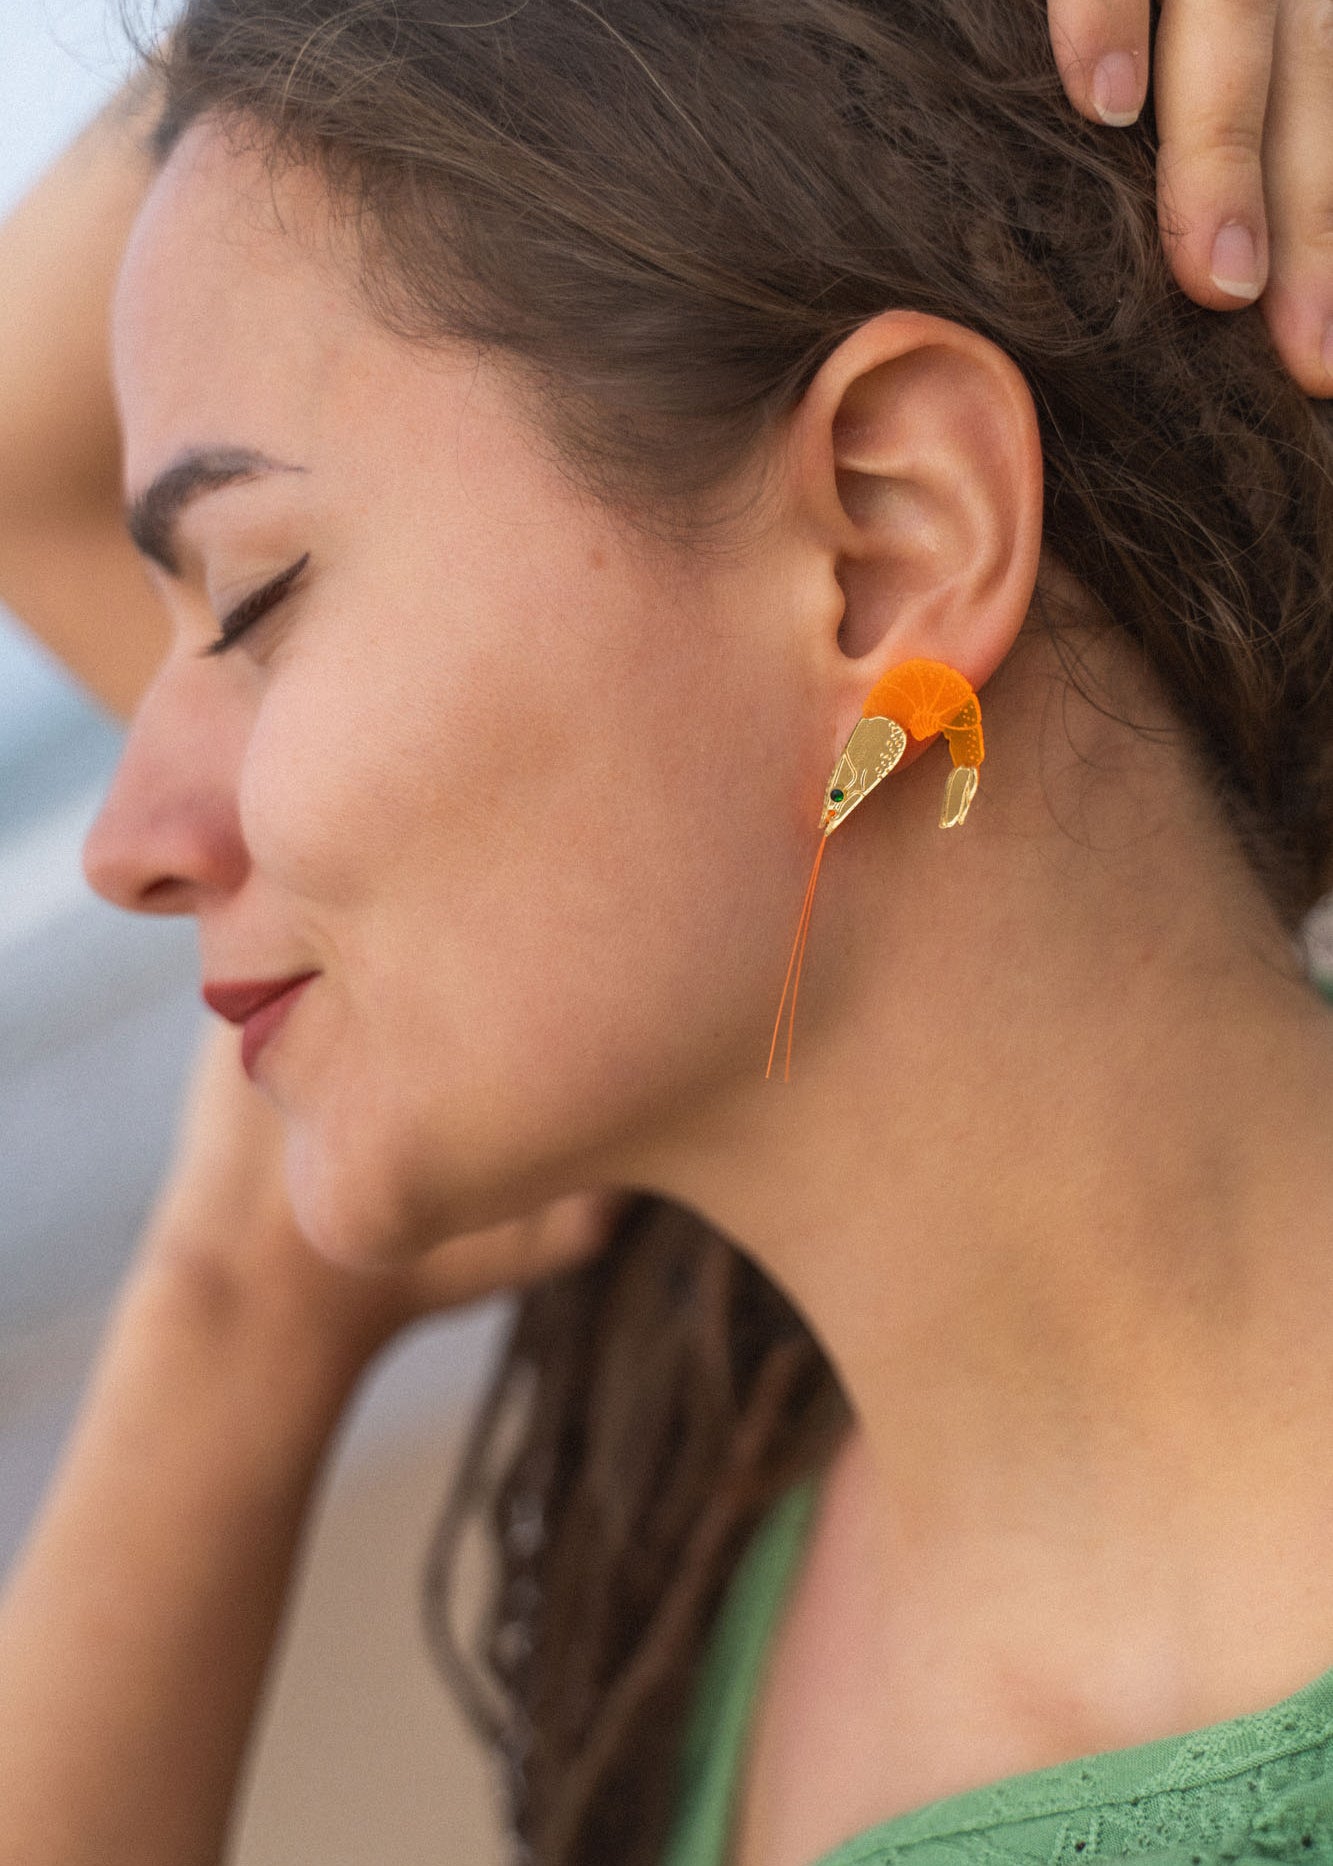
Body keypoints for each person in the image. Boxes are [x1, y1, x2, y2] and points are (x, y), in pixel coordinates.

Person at [0, 4, 1330, 1866]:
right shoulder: (744, 1364)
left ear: (886, 544)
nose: (129, 846)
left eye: (257, 598)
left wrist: (232, 1311)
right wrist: (238, 1306)